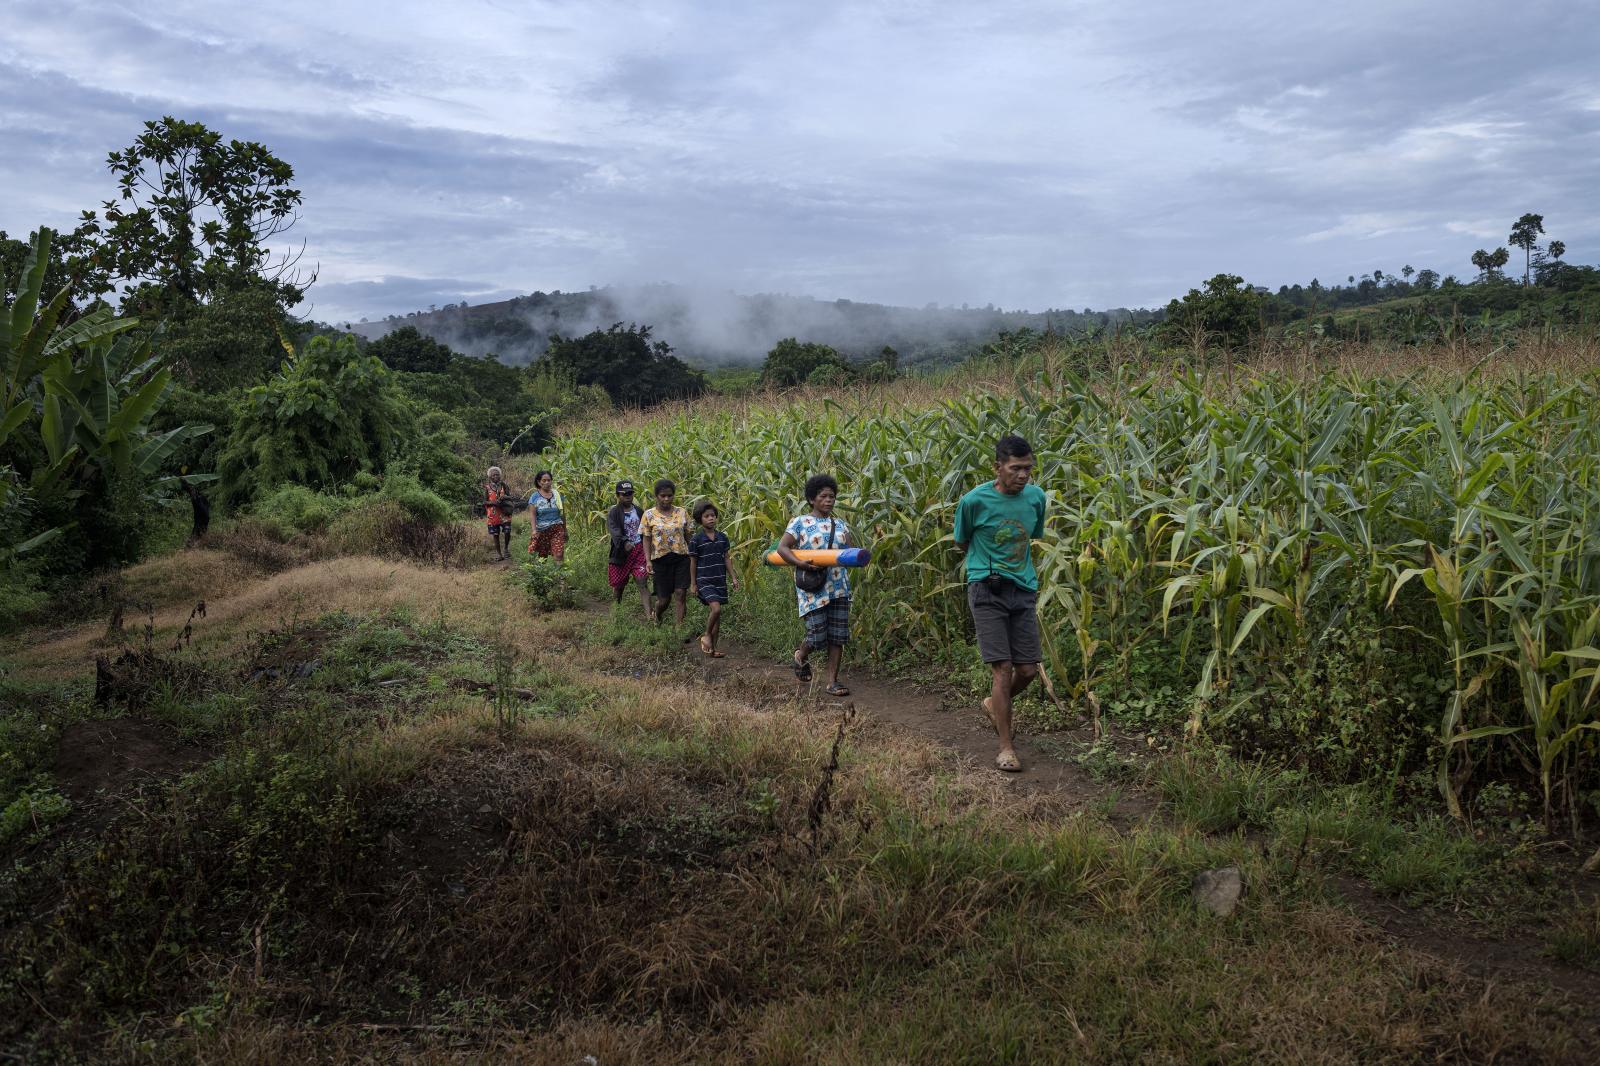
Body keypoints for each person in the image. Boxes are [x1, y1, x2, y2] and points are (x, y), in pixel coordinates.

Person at [954, 434, 1047, 773]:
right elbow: (962, 541)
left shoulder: (1036, 498)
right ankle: (1006, 747)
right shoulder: (974, 501)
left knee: (1028, 670)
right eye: (1016, 469)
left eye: (1028, 469)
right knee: (1003, 668)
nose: (1023, 476)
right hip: (986, 589)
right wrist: (984, 568)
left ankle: (994, 704)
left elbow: (1032, 535)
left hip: (1023, 589)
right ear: (997, 467)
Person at [776, 473, 855, 697]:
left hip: (839, 586)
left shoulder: (839, 524)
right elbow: (783, 548)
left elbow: (849, 551)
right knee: (816, 635)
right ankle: (801, 656)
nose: (829, 500)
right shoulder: (800, 522)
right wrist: (801, 563)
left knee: (838, 635)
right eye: (823, 496)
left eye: (832, 496)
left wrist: (856, 556)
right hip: (813, 587)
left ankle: (832, 681)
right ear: (812, 499)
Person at [688, 500, 738, 657]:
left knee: (717, 617)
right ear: (700, 519)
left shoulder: (722, 538)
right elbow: (693, 562)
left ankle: (713, 649)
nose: (711, 518)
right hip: (704, 580)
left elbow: (727, 558)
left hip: (719, 580)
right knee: (716, 609)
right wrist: (693, 583)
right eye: (706, 516)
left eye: (713, 516)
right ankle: (706, 635)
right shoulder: (696, 540)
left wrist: (734, 578)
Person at [641, 479, 692, 626]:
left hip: (681, 558)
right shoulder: (649, 515)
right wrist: (648, 561)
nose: (666, 499)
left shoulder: (681, 513)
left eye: (669, 495)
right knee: (664, 599)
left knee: (681, 593)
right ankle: (657, 613)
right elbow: (646, 539)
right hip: (660, 560)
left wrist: (694, 556)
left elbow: (689, 535)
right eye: (662, 495)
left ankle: (679, 628)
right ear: (656, 496)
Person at [606, 480, 650, 622]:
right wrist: (624, 542)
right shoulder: (614, 512)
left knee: (642, 582)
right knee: (619, 587)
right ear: (618, 495)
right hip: (621, 552)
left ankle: (650, 617)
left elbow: (645, 531)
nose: (627, 496)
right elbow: (614, 530)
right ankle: (615, 616)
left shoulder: (638, 511)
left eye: (630, 493)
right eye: (624, 494)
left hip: (639, 550)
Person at [527, 469, 566, 561]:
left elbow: (563, 513)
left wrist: (565, 529)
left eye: (549, 480)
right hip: (542, 530)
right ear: (539, 482)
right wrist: (534, 530)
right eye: (544, 480)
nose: (547, 482)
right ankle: (542, 574)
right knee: (542, 556)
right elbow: (532, 515)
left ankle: (560, 575)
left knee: (559, 554)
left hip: (557, 528)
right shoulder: (535, 497)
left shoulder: (557, 495)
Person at [482, 466, 518, 562]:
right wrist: (494, 503)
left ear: (500, 475)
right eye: (493, 475)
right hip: (493, 514)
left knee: (507, 531)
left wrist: (504, 498)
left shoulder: (504, 485)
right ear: (490, 476)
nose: (496, 476)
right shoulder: (487, 487)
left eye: (497, 474)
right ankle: (499, 554)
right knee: (495, 534)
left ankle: (506, 549)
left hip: (504, 512)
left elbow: (510, 497)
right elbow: (484, 502)